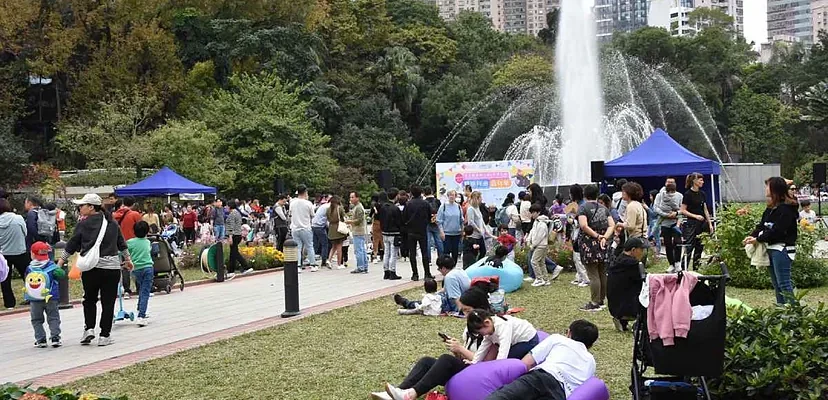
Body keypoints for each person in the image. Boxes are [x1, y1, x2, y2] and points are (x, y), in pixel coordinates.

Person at [370, 287, 496, 400]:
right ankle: (398, 392)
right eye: (464, 311)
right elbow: (464, 358)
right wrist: (457, 351)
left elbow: (488, 364)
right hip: (467, 369)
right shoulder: (470, 328)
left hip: (479, 376)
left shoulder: (491, 328)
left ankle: (410, 395)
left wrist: (461, 349)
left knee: (446, 360)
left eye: (467, 311)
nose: (465, 315)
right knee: (426, 361)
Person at [59, 193, 133, 347]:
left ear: (91, 207)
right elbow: (121, 243)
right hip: (111, 268)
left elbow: (72, 244)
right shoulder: (112, 223)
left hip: (91, 268)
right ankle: (104, 336)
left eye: (82, 205)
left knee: (89, 299)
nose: (79, 208)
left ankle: (89, 329)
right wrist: (128, 260)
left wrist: (61, 261)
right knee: (108, 302)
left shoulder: (83, 224)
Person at [485, 320, 599, 400]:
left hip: (540, 378)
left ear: (569, 333)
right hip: (561, 394)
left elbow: (526, 363)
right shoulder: (591, 362)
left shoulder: (558, 339)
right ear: (590, 345)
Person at [744, 177, 799, 305]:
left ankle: (795, 313)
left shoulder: (786, 209)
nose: (766, 189)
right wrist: (751, 236)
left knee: (784, 283)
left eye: (768, 186)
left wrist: (757, 239)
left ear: (775, 189)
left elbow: (777, 231)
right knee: (777, 285)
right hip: (771, 249)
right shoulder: (771, 208)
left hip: (782, 250)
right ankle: (781, 312)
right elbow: (762, 225)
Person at [577, 184, 615, 312]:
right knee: (602, 272)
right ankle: (601, 300)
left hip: (589, 244)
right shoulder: (604, 208)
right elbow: (612, 225)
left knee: (593, 274)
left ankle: (594, 302)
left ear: (585, 195)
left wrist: (597, 236)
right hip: (603, 243)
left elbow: (583, 226)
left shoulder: (583, 208)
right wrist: (604, 237)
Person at [25, 241, 64, 348]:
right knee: (53, 317)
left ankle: (41, 339)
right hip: (51, 297)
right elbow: (61, 274)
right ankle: (55, 337)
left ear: (32, 254)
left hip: (35, 299)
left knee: (36, 319)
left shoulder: (29, 268)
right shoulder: (52, 266)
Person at [467, 309, 539, 363]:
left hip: (529, 340)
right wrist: (474, 362)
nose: (481, 335)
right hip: (516, 342)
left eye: (480, 332)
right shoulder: (489, 327)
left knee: (509, 357)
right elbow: (483, 347)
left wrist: (498, 366)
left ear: (487, 323)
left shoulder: (503, 326)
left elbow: (504, 348)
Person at [607, 237, 648, 332]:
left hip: (614, 305)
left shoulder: (618, 260)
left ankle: (622, 320)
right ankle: (639, 322)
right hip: (628, 306)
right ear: (633, 250)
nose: (643, 252)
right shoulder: (634, 264)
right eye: (641, 249)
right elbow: (645, 280)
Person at [680, 172, 714, 270]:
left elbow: (705, 209)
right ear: (694, 181)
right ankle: (684, 268)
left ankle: (696, 268)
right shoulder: (687, 194)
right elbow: (683, 210)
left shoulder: (702, 194)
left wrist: (710, 223)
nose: (702, 182)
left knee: (700, 246)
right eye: (700, 180)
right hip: (691, 224)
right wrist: (695, 216)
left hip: (702, 224)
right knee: (689, 247)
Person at [0, 198, 29, 309]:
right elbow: (25, 233)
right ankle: (31, 297)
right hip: (20, 251)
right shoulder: (18, 218)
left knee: (5, 279)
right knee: (27, 276)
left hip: (3, 254)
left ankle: (9, 304)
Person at [113, 197, 142, 297]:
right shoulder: (135, 214)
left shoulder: (114, 215)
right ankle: (139, 288)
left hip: (119, 245)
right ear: (133, 204)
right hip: (134, 243)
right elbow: (140, 228)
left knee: (124, 267)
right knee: (136, 265)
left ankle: (126, 290)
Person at [127, 221, 154, 327]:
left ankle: (140, 308)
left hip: (135, 269)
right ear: (147, 231)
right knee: (145, 291)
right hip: (148, 268)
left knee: (142, 289)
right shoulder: (147, 242)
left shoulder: (130, 242)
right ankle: (141, 316)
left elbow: (121, 251)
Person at [402, 186, 432, 280]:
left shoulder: (408, 204)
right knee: (424, 252)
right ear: (421, 193)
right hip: (422, 230)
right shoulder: (425, 203)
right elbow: (429, 216)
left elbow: (404, 217)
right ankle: (427, 273)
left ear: (411, 193)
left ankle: (415, 274)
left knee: (412, 253)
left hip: (411, 230)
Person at [653, 178, 683, 273]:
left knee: (678, 242)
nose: (670, 184)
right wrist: (666, 215)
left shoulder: (679, 195)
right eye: (668, 182)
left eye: (672, 182)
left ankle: (678, 263)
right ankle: (671, 264)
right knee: (667, 244)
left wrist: (676, 214)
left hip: (676, 222)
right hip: (665, 223)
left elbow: (682, 209)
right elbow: (656, 208)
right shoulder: (659, 195)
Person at [290, 185, 317, 271]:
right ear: (305, 192)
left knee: (297, 248)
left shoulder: (292, 203)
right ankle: (313, 265)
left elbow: (290, 214)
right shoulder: (308, 203)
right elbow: (313, 215)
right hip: (305, 227)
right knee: (309, 246)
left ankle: (298, 266)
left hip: (295, 228)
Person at [378, 189, 403, 280]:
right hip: (394, 232)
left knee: (386, 252)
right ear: (396, 196)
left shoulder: (383, 207)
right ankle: (392, 271)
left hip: (385, 232)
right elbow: (399, 221)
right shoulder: (395, 208)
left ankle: (386, 271)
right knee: (393, 253)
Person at [567, 184, 589, 287]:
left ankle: (585, 278)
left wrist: (572, 221)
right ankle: (580, 277)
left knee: (579, 257)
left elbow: (581, 222)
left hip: (580, 234)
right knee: (576, 256)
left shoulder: (582, 206)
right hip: (576, 234)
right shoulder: (578, 204)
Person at [226, 201, 252, 278]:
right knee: (234, 253)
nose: (226, 208)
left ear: (230, 206)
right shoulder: (237, 213)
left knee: (234, 253)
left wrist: (230, 237)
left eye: (227, 206)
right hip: (238, 234)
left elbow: (231, 226)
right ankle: (232, 270)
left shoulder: (232, 214)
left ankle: (245, 267)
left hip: (234, 235)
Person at [437, 190, 463, 266]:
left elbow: (461, 220)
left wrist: (462, 231)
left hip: (456, 233)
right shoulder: (443, 206)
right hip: (446, 233)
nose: (452, 196)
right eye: (450, 195)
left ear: (455, 196)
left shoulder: (458, 206)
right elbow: (439, 221)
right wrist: (441, 232)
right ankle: (446, 267)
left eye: (453, 195)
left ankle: (454, 267)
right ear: (448, 196)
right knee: (446, 252)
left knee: (455, 252)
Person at [347, 192, 369, 274]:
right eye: (350, 197)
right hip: (358, 230)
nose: (351, 199)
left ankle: (361, 267)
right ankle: (364, 266)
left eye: (353, 197)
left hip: (358, 231)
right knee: (362, 249)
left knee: (359, 250)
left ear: (357, 198)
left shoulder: (359, 208)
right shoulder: (356, 207)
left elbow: (359, 220)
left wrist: (350, 222)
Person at [326, 196, 347, 270]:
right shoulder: (339, 208)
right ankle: (339, 264)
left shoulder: (328, 210)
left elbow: (328, 219)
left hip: (331, 229)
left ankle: (329, 260)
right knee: (339, 247)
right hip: (339, 228)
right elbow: (344, 218)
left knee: (333, 246)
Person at [424, 187, 443, 259]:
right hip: (436, 222)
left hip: (427, 223)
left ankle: (428, 259)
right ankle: (441, 257)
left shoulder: (424, 202)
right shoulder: (437, 201)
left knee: (427, 242)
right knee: (439, 241)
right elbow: (441, 211)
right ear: (432, 192)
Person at [466, 191, 488, 258]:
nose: (481, 199)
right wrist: (478, 230)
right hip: (474, 236)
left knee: (483, 251)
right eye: (480, 198)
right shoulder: (470, 209)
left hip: (480, 235)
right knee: (475, 253)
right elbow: (471, 222)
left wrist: (485, 229)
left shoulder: (477, 207)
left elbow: (481, 219)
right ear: (477, 199)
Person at [370, 194, 384, 264]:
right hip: (382, 223)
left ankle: (375, 256)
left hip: (375, 223)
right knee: (382, 239)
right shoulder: (383, 205)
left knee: (375, 240)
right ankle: (384, 254)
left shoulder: (374, 205)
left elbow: (370, 214)